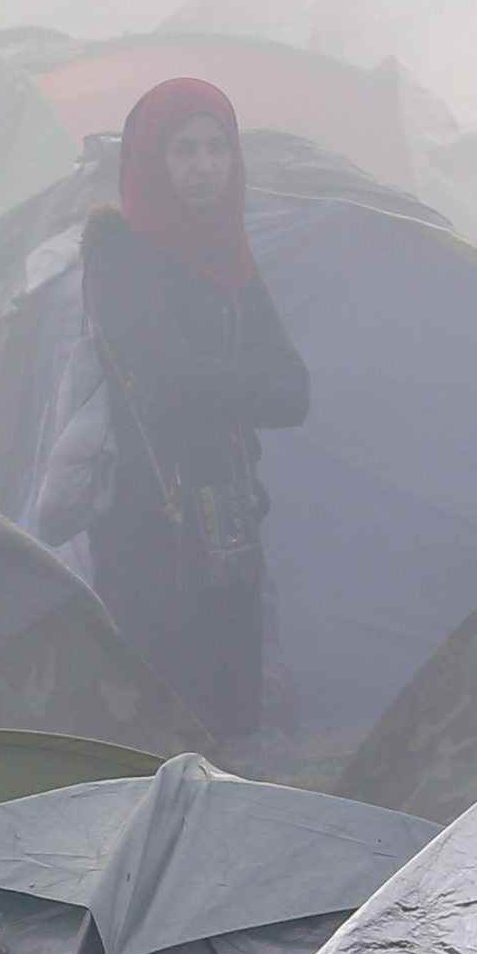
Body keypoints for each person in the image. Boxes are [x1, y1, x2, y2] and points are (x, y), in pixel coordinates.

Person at [81, 77, 310, 739]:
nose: (205, 167)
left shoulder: (228, 254)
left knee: (233, 710)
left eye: (218, 148)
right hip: (146, 520)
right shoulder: (118, 249)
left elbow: (295, 391)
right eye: (184, 150)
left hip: (230, 518)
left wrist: (213, 381)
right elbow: (163, 383)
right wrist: (240, 382)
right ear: (153, 158)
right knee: (162, 714)